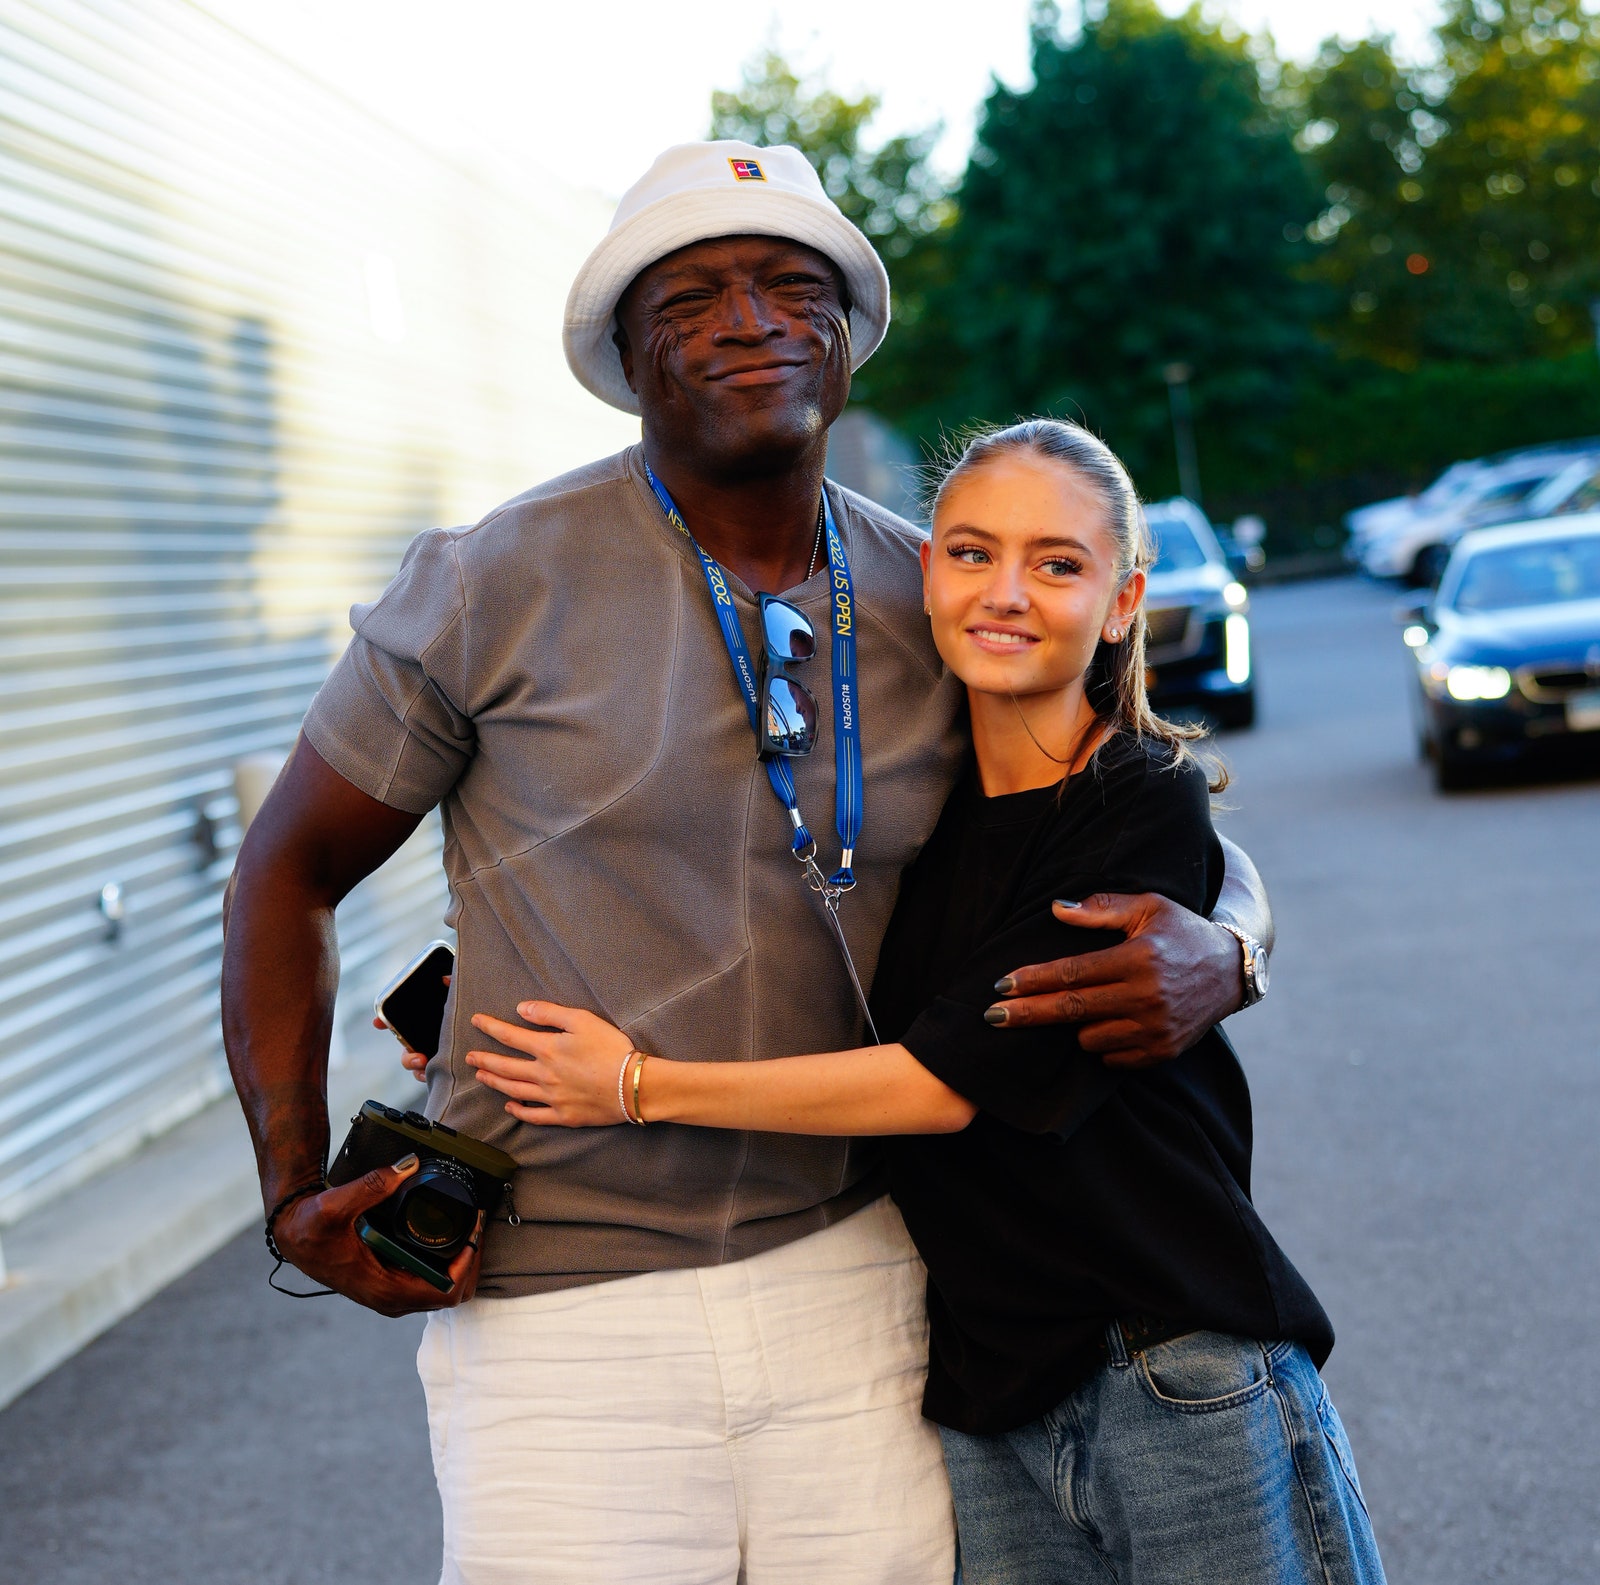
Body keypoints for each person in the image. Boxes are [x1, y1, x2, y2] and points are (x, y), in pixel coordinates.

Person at [221, 143, 1276, 1584]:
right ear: (624, 347)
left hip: (866, 1277)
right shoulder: (489, 584)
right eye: (695, 294)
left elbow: (1132, 803)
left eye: (796, 288)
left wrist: (1237, 947)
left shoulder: (946, 591)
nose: (753, 320)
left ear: (844, 341)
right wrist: (290, 1189)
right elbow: (285, 872)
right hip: (558, 1306)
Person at [464, 417, 1386, 1585]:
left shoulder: (1132, 796)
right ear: (924, 572)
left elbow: (940, 1089)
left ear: (1120, 601)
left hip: (1174, 1369)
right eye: (969, 553)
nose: (1005, 592)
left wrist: (635, 1083)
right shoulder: (908, 818)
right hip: (989, 1404)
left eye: (1056, 563)